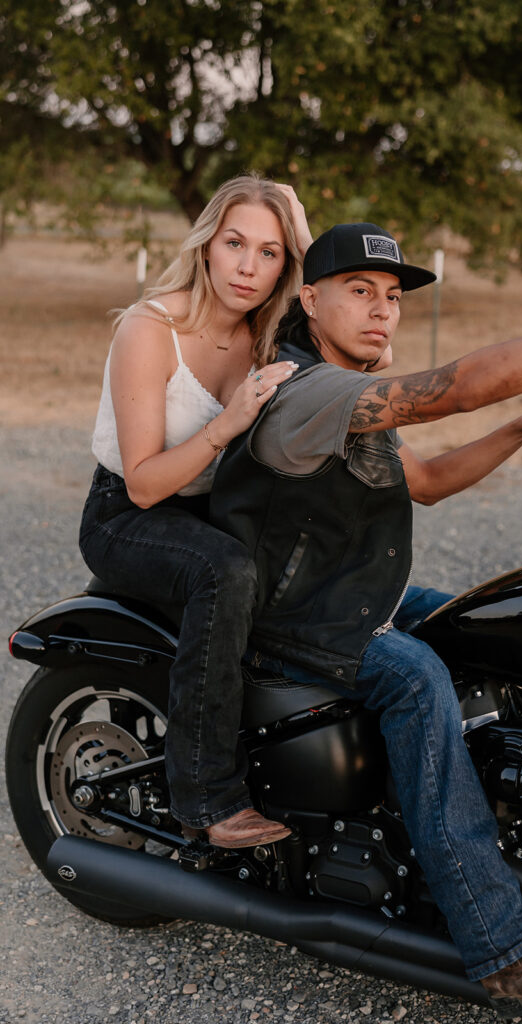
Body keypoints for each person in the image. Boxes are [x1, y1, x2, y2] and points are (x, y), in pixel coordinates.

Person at [210, 221, 522, 1014]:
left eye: (391, 297)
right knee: (420, 677)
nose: (381, 312)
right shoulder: (302, 388)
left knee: (501, 626)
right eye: (360, 292)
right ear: (309, 297)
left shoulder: (342, 382)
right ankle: (505, 949)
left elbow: (422, 480)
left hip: (354, 595)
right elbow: (456, 387)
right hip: (295, 618)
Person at [78, 174, 315, 849]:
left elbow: (355, 327)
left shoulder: (268, 337)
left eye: (270, 253)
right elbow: (147, 483)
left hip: (209, 509)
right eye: (235, 243)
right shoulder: (150, 328)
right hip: (127, 513)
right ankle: (204, 797)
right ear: (207, 245)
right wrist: (224, 425)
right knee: (228, 571)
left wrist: (296, 223)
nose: (248, 266)